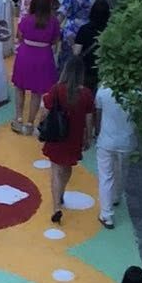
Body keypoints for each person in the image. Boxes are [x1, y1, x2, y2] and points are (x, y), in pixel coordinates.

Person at [40, 52, 96, 221]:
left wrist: (41, 126)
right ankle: (62, 193)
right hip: (75, 136)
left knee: (55, 169)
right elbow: (89, 118)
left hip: (57, 134)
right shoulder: (86, 93)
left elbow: (45, 110)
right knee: (67, 166)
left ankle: (56, 205)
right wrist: (88, 138)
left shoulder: (56, 89)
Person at [11, 0, 60, 135]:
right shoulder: (53, 22)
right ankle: (30, 123)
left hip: (25, 54)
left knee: (20, 87)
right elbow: (55, 41)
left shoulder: (26, 19)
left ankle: (18, 118)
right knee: (36, 91)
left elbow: (19, 36)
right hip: (43, 56)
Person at [94, 79, 137, 226]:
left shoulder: (104, 89)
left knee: (105, 176)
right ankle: (116, 196)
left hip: (106, 140)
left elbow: (98, 114)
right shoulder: (137, 93)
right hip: (127, 140)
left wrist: (97, 132)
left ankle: (106, 214)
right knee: (122, 170)